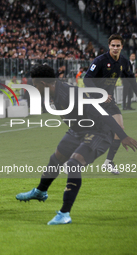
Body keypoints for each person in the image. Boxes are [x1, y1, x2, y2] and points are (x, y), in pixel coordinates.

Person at [16, 64, 137, 225]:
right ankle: (40, 192)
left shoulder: (69, 94)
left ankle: (65, 213)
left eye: (34, 85)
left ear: (43, 84)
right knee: (56, 158)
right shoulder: (53, 91)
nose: (33, 88)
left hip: (99, 132)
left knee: (73, 163)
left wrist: (122, 136)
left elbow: (103, 114)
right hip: (77, 130)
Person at [84, 34, 137, 173]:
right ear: (109, 46)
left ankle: (108, 162)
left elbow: (131, 80)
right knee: (91, 132)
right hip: (95, 100)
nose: (115, 48)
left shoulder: (124, 62)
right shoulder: (100, 60)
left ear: (121, 47)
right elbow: (87, 80)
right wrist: (99, 94)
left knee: (120, 128)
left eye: (117, 46)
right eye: (112, 45)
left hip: (109, 100)